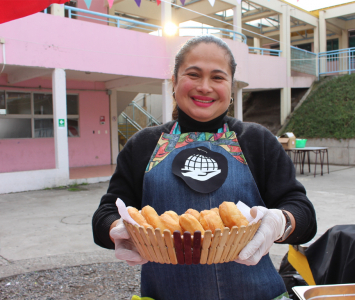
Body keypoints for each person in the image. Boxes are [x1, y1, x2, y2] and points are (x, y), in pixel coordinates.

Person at [92, 35, 317, 300]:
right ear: (174, 82)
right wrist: (117, 229)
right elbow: (105, 214)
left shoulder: (256, 140)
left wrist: (280, 222)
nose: (205, 87)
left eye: (218, 78)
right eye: (193, 74)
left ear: (231, 87)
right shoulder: (143, 145)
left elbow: (304, 214)